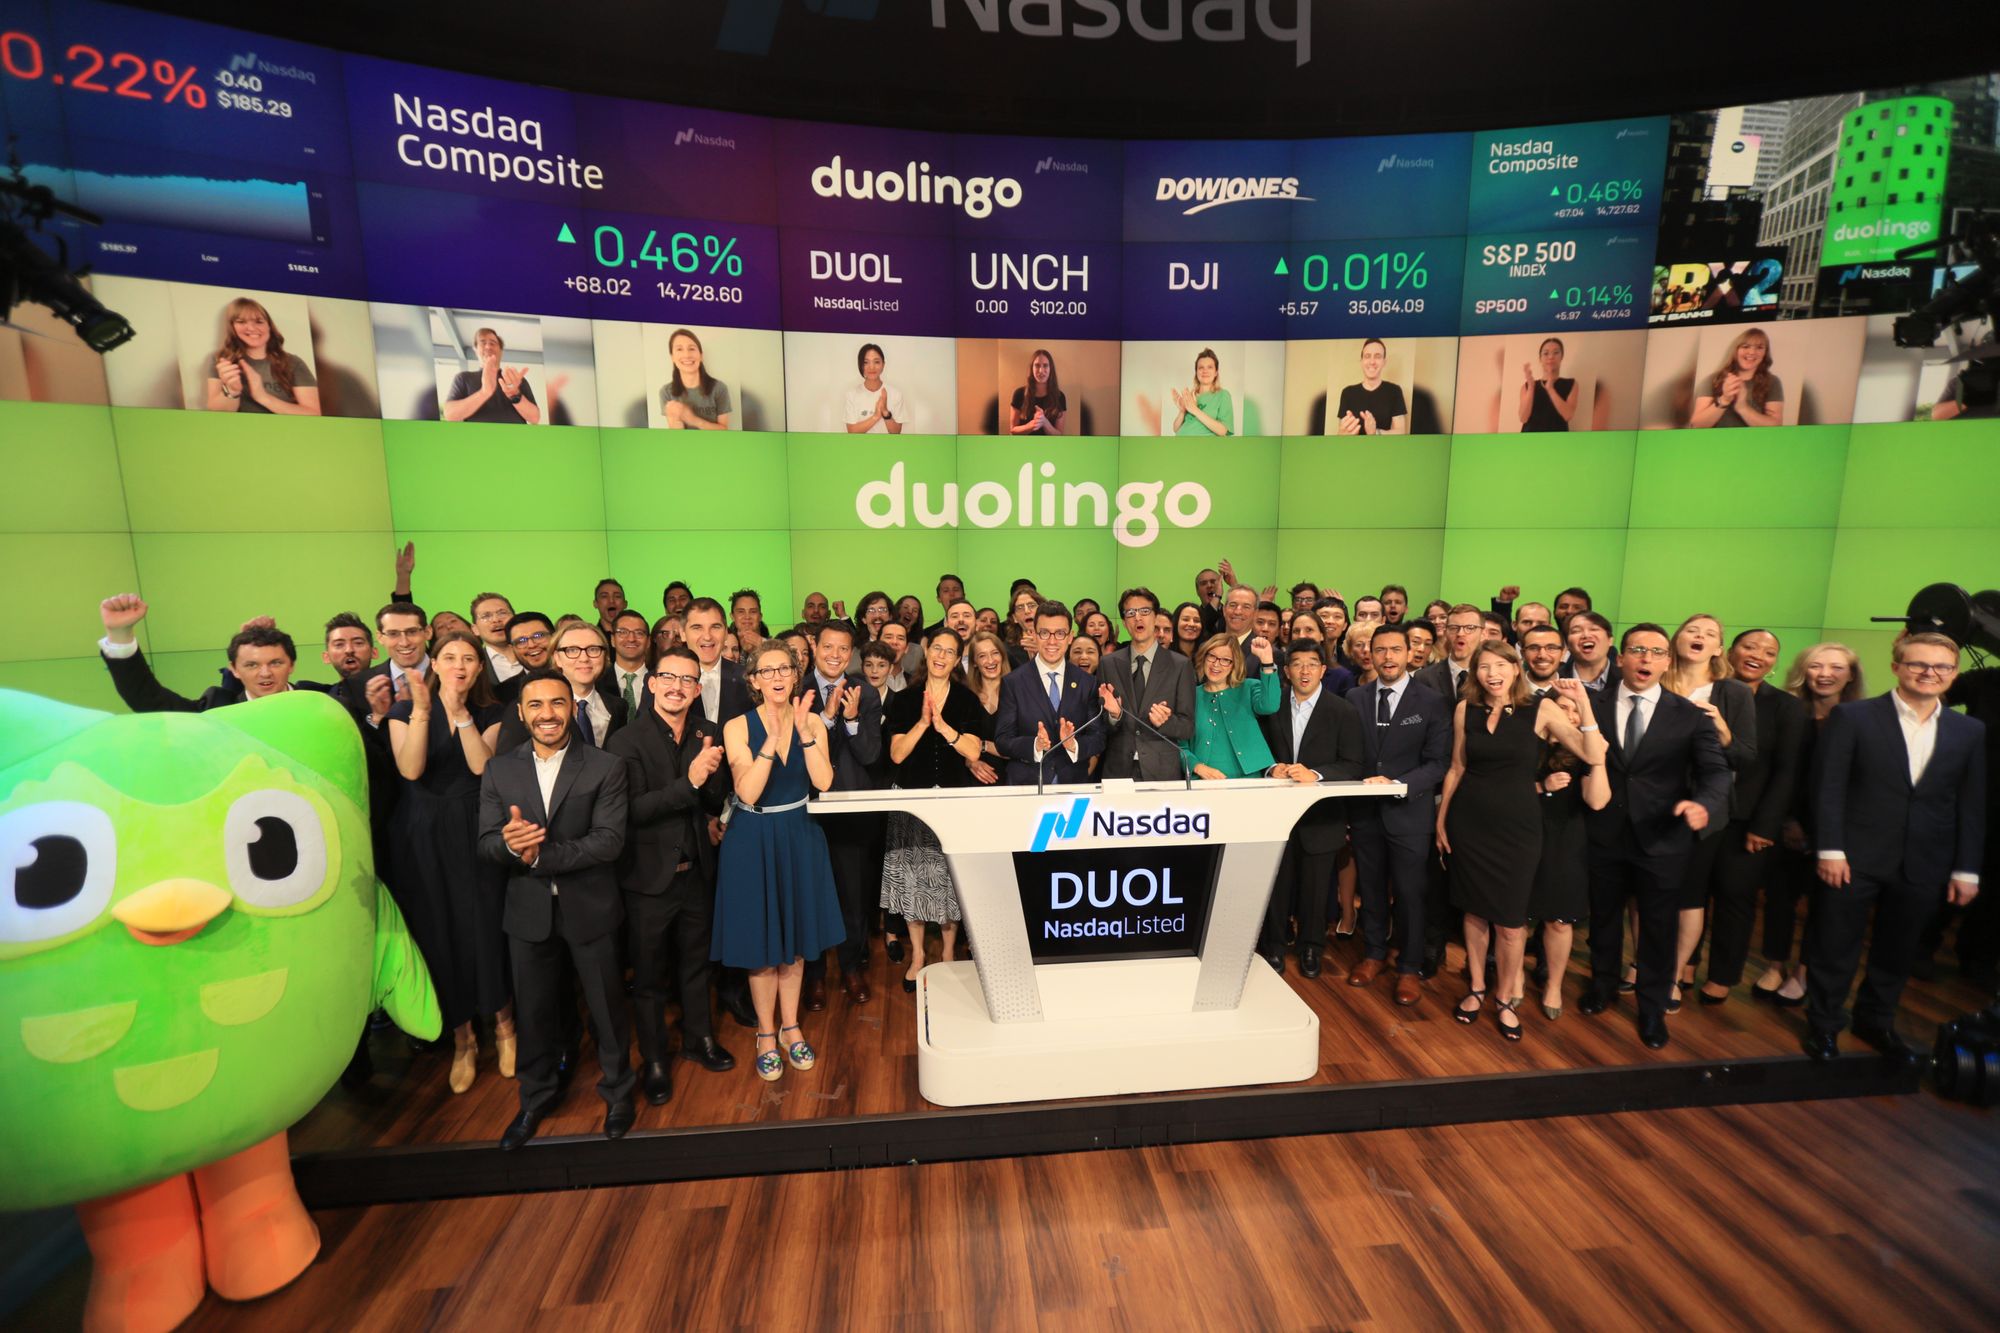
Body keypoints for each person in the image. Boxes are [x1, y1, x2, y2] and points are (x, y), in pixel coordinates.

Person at [1802, 633, 1985, 1061]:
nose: (1929, 673)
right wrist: (1829, 849)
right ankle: (1824, 1026)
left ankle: (1875, 1022)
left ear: (1954, 674)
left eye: (1941, 667)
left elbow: (1971, 804)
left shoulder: (1969, 730)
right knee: (1835, 945)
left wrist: (1967, 869)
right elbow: (1828, 788)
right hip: (1853, 856)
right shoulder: (1853, 717)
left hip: (1926, 859)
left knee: (1897, 951)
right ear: (1897, 667)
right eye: (1919, 664)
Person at [477, 670, 633, 1150]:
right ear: (521, 713)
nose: (548, 714)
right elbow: (485, 844)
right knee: (536, 1010)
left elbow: (608, 842)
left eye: (558, 703)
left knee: (607, 1008)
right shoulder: (499, 770)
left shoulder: (606, 766)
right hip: (527, 913)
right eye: (537, 705)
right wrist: (507, 845)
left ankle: (619, 1093)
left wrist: (539, 856)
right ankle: (535, 1097)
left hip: (590, 907)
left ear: (572, 707)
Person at [1435, 649, 1606, 1040]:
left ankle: (1505, 998)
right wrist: (1442, 820)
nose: (1492, 673)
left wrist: (1583, 703)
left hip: (1518, 830)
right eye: (1484, 666)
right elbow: (1457, 767)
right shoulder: (1466, 710)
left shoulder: (1541, 710)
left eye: (1501, 665)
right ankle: (1477, 987)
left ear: (1516, 669)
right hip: (1469, 823)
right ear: (1476, 673)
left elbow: (1593, 754)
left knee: (1511, 923)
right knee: (1475, 913)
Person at [1576, 624, 1732, 1051]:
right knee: (1603, 920)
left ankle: (1651, 1008)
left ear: (1667, 661)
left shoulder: (1689, 715)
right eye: (1637, 650)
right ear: (1620, 658)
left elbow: (1716, 772)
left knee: (1659, 928)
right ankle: (1603, 986)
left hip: (1663, 838)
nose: (1646, 659)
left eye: (1656, 652)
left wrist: (1704, 803)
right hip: (1604, 833)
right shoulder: (1593, 705)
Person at [607, 643, 734, 1106]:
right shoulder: (626, 740)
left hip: (697, 870)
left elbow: (716, 795)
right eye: (669, 678)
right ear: (653, 683)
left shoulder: (707, 732)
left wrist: (709, 778)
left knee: (697, 966)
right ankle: (656, 1060)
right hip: (647, 880)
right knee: (649, 978)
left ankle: (699, 1040)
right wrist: (693, 781)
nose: (678, 687)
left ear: (697, 688)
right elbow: (633, 810)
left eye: (688, 680)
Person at [710, 643, 844, 1082]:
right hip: (752, 839)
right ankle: (765, 1034)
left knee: (798, 942)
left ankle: (791, 1027)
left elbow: (824, 780)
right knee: (763, 948)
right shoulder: (736, 727)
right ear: (753, 681)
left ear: (796, 672)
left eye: (784, 668)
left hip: (800, 836)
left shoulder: (813, 724)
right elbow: (747, 792)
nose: (778, 677)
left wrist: (805, 730)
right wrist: (771, 737)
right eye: (767, 671)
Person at [385, 632, 510, 1094]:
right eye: (450, 657)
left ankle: (504, 1025)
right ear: (434, 662)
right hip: (424, 834)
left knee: (486, 926)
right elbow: (411, 769)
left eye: (469, 659)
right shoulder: (403, 712)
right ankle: (463, 1040)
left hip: (475, 827)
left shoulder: (491, 712)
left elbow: (484, 768)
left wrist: (459, 715)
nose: (460, 665)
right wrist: (423, 710)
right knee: (440, 932)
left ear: (480, 668)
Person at [1696, 630, 1808, 1005]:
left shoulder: (1786, 707)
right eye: (1749, 646)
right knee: (1691, 895)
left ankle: (1723, 977)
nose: (1758, 655)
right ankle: (1684, 966)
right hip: (1700, 811)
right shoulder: (1707, 691)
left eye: (1770, 652)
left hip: (1748, 820)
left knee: (1735, 896)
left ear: (1776, 662)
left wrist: (1765, 825)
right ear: (1730, 651)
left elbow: (1787, 772)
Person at [1345, 625, 1451, 1007]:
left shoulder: (1433, 701)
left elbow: (1438, 763)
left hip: (1409, 812)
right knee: (1370, 889)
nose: (1387, 658)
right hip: (1365, 813)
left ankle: (1408, 966)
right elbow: (1351, 755)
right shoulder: (1354, 697)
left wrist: (1398, 784)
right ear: (1369, 655)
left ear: (1411, 653)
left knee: (1410, 894)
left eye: (1395, 650)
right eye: (1380, 651)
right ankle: (1373, 954)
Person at [1754, 643, 1864, 1005]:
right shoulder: (1788, 712)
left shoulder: (1863, 718)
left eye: (1836, 667)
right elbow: (1776, 773)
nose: (1825, 674)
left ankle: (1804, 970)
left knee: (1825, 904)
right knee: (1780, 897)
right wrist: (1785, 820)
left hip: (1840, 830)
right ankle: (1774, 965)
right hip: (1788, 822)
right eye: (1816, 666)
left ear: (1851, 675)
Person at [883, 627, 991, 990]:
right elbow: (897, 753)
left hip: (953, 802)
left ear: (958, 658)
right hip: (912, 802)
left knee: (948, 881)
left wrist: (943, 727)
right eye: (936, 649)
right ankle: (917, 956)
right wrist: (923, 723)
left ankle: (947, 954)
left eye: (950, 651)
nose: (942, 656)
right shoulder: (904, 699)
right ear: (927, 653)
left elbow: (974, 752)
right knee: (913, 881)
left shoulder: (966, 700)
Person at [1661, 615, 1760, 1003]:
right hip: (1652, 802)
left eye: (1710, 634)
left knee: (1689, 895)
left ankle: (1672, 975)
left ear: (1720, 649)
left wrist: (1723, 731)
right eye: (1692, 631)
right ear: (1676, 639)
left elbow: (1746, 757)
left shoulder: (1733, 693)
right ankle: (1644, 964)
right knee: (1647, 893)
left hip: (1705, 808)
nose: (1699, 637)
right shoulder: (1655, 681)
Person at [1256, 642, 1364, 976]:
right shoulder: (1269, 706)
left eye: (1312, 664)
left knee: (1317, 889)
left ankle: (1311, 948)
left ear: (1323, 670)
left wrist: (1316, 775)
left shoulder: (1342, 710)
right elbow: (1255, 751)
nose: (1304, 671)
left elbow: (1352, 763)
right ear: (1285, 671)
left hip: (1322, 817)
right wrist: (1268, 769)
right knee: (1276, 885)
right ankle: (1273, 947)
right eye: (1297, 664)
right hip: (1276, 816)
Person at [797, 620, 885, 1009]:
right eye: (828, 647)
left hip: (851, 810)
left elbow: (869, 755)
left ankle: (851, 969)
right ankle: (814, 978)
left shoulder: (864, 693)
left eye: (843, 649)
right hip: (808, 811)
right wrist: (827, 718)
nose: (835, 655)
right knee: (812, 896)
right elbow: (809, 756)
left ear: (851, 653)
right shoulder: (797, 689)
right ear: (815, 647)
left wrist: (848, 720)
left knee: (852, 897)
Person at [1526, 674, 1610, 1018]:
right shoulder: (1530, 746)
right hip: (1526, 835)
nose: (1568, 718)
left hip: (1568, 841)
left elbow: (1598, 801)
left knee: (1559, 921)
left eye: (1575, 712)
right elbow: (1504, 790)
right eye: (1562, 709)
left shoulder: (1591, 751)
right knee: (1515, 919)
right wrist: (1541, 785)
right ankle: (1513, 980)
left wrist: (1595, 758)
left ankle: (1554, 986)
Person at [96, 595, 341, 713]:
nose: (264, 673)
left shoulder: (319, 700)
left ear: (292, 665)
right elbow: (150, 701)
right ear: (234, 669)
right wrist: (120, 635)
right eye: (252, 665)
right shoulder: (219, 706)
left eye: (275, 662)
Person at [996, 602, 1105, 787]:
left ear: (1070, 637)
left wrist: (1074, 745)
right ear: (1034, 635)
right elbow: (1002, 740)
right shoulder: (1013, 682)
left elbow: (1099, 738)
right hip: (1027, 787)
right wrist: (1035, 745)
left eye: (1060, 633)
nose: (1052, 641)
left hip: (1073, 787)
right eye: (1044, 633)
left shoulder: (1087, 682)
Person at [1099, 588, 1197, 781]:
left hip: (1162, 771)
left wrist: (1165, 722)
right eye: (1130, 613)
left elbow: (1187, 728)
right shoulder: (1108, 664)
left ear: (1155, 616)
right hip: (1118, 770)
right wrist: (1113, 716)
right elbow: (1101, 726)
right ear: (1125, 621)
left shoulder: (1180, 665)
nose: (1138, 618)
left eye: (1144, 611)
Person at [1181, 632, 1281, 780]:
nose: (1216, 664)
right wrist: (1197, 766)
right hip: (1202, 782)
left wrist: (1266, 660)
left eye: (1225, 660)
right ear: (1204, 657)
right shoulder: (1190, 696)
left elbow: (1270, 706)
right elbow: (1179, 745)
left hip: (1247, 780)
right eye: (1212, 656)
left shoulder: (1249, 687)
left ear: (1235, 664)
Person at [204, 297, 319, 416]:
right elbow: (216, 414)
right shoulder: (221, 359)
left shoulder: (294, 362)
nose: (252, 328)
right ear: (232, 327)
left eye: (259, 321)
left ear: (269, 326)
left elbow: (314, 414)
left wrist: (262, 396)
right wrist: (232, 391)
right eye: (241, 321)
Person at [444, 327, 540, 425]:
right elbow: (450, 415)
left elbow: (535, 418)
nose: (488, 347)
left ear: (500, 351)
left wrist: (514, 394)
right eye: (483, 343)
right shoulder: (463, 378)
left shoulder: (515, 379)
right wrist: (484, 392)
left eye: (493, 343)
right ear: (475, 349)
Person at [1690, 327, 1782, 428]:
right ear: (1736, 350)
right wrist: (1725, 399)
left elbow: (1775, 426)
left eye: (1759, 347)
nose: (1752, 352)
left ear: (1765, 353)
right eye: (1745, 346)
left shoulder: (1772, 382)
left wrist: (1742, 407)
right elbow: (1696, 425)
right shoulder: (1712, 380)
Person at [660, 328, 732, 430]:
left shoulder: (719, 388)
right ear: (672, 357)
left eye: (692, 349)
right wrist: (676, 419)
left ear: (701, 355)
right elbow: (676, 438)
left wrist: (693, 419)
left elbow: (724, 431)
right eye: (679, 349)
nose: (687, 355)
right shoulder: (666, 392)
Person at [1335, 338, 1408, 436]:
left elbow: (1401, 432)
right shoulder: (1347, 393)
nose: (1372, 361)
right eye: (1367, 356)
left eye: (1377, 356)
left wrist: (1375, 432)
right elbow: (1341, 433)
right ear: (1361, 361)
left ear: (1384, 362)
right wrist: (1343, 433)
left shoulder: (1394, 391)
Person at [1414, 604, 1483, 701]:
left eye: (1470, 628)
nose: (1460, 633)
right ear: (1446, 632)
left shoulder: (1489, 676)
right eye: (1454, 628)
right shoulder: (1424, 677)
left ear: (1483, 633)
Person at [1519, 337, 1578, 433]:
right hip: (1529, 441)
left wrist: (1550, 389)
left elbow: (1568, 415)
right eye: (1546, 353)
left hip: (1557, 441)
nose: (1551, 357)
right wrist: (1531, 388)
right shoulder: (1527, 386)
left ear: (1562, 356)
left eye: (1556, 352)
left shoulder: (1571, 384)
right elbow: (1523, 418)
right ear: (1540, 358)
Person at [1171, 347, 1234, 436]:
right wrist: (1182, 411)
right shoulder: (1191, 395)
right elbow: (1176, 429)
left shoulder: (1223, 395)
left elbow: (1223, 431)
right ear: (1196, 372)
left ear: (1216, 372)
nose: (1205, 371)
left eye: (1210, 367)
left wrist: (1195, 410)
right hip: (1179, 445)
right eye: (1201, 368)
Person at [845, 342, 904, 434]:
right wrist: (875, 416)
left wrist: (885, 412)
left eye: (876, 362)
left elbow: (896, 432)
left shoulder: (895, 393)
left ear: (883, 365)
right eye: (866, 362)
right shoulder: (852, 394)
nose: (871, 367)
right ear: (860, 365)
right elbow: (852, 431)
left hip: (887, 447)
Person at [607, 610, 653, 719]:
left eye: (639, 633)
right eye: (623, 632)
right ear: (613, 640)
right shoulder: (597, 681)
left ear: (648, 641)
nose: (631, 639)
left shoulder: (661, 681)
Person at [1009, 348, 1067, 434]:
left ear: (1051, 369)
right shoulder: (1019, 394)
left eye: (1045, 365)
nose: (1041, 371)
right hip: (1024, 446)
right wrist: (1031, 425)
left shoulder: (1060, 396)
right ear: (1031, 368)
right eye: (1037, 365)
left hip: (1049, 447)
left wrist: (1044, 422)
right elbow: (1012, 431)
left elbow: (1059, 435)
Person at [471, 592, 523, 688]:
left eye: (502, 613)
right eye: (486, 616)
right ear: (475, 629)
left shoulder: (535, 652)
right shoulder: (474, 665)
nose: (496, 620)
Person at [1560, 611, 1615, 692]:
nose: (1586, 635)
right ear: (1567, 644)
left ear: (1610, 640)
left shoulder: (1626, 680)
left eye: (1594, 629)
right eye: (1576, 631)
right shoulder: (1555, 680)